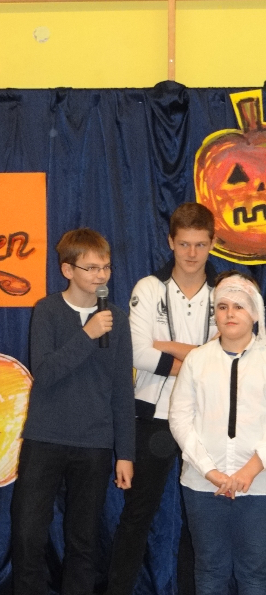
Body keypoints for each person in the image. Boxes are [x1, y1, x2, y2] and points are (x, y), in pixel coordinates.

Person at [11, 228, 136, 595]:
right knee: (27, 533)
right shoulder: (47, 311)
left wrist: (125, 453)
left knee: (83, 540)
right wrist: (87, 335)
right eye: (91, 268)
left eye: (106, 267)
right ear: (67, 269)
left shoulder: (116, 318)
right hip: (45, 437)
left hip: (94, 443)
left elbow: (121, 390)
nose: (101, 276)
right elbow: (45, 373)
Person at [105, 202, 218, 595]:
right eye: (184, 244)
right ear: (170, 242)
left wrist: (165, 345)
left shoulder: (225, 292)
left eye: (200, 244)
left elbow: (229, 354)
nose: (192, 253)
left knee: (200, 516)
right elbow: (137, 353)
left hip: (206, 417)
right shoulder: (149, 288)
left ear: (211, 244)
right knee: (138, 513)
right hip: (153, 415)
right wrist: (202, 356)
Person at [169, 271, 266, 594]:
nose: (230, 314)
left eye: (239, 306)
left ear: (255, 313)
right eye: (222, 307)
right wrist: (210, 471)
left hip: (259, 488)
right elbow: (180, 419)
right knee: (210, 569)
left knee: (255, 572)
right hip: (202, 486)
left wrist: (250, 470)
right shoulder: (197, 360)